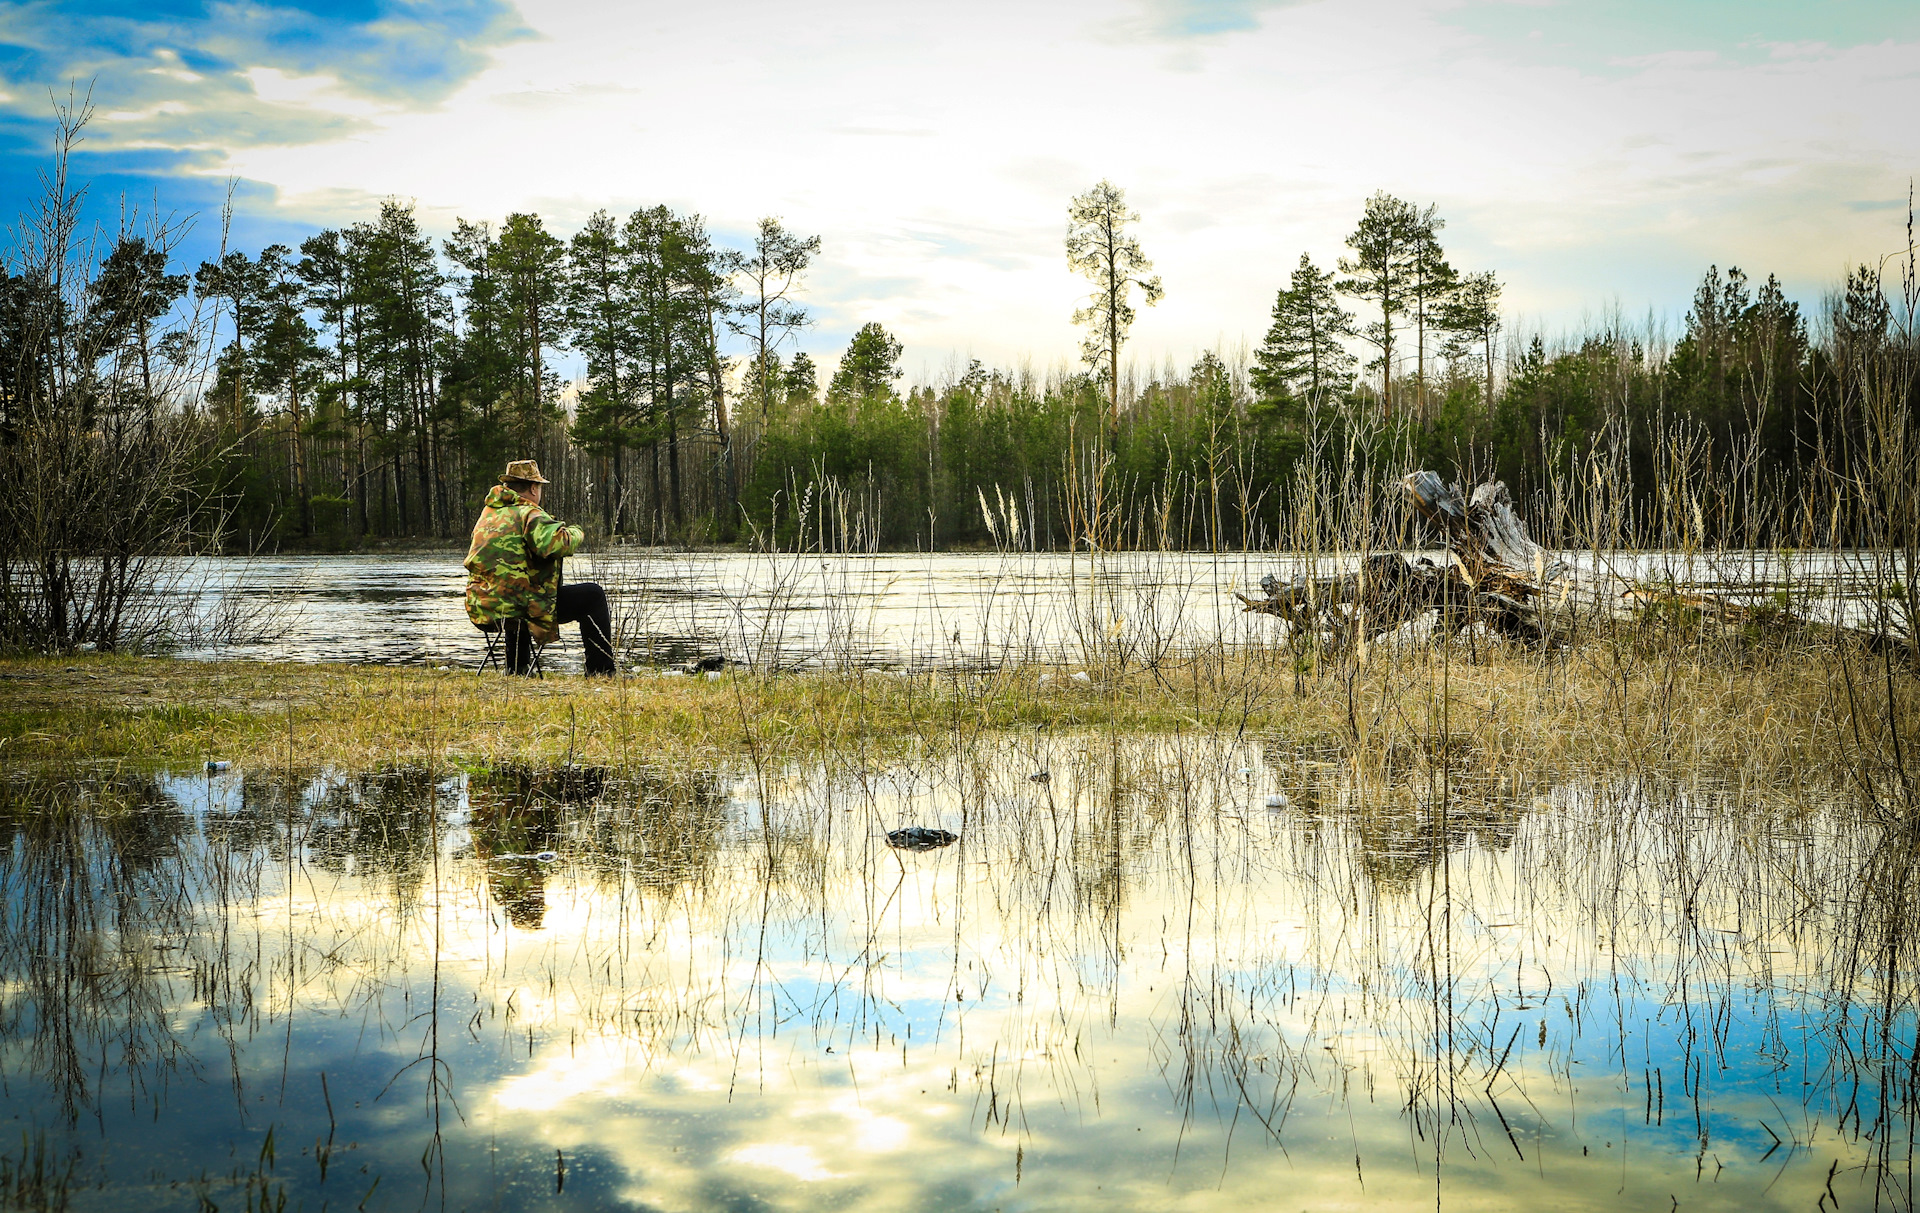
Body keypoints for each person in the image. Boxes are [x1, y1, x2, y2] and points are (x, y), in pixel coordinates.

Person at [464, 459, 615, 676]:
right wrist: (576, 532)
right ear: (534, 488)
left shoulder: (488, 515)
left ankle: (517, 667)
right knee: (593, 595)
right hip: (519, 607)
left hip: (482, 606)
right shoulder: (529, 513)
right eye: (540, 487)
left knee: (516, 586)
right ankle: (601, 670)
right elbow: (556, 544)